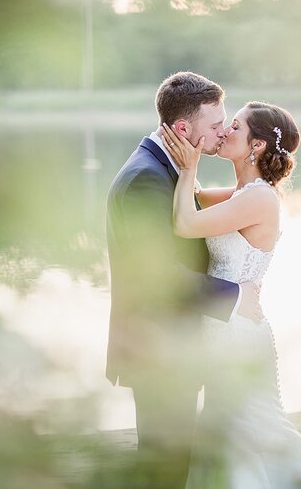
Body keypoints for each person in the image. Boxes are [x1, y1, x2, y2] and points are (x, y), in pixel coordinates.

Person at [161, 101, 301, 488]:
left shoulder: (258, 199)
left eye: (234, 127)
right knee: (226, 436)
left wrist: (189, 166)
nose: (225, 132)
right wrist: (186, 148)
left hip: (239, 337)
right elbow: (192, 197)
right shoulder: (241, 192)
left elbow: (185, 222)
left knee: (257, 432)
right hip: (222, 329)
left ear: (258, 145)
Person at [105, 72, 263, 489]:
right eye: (214, 126)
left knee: (170, 468)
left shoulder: (169, 168)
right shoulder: (147, 179)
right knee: (164, 472)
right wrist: (235, 294)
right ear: (182, 129)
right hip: (158, 349)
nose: (221, 132)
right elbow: (158, 276)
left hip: (171, 346)